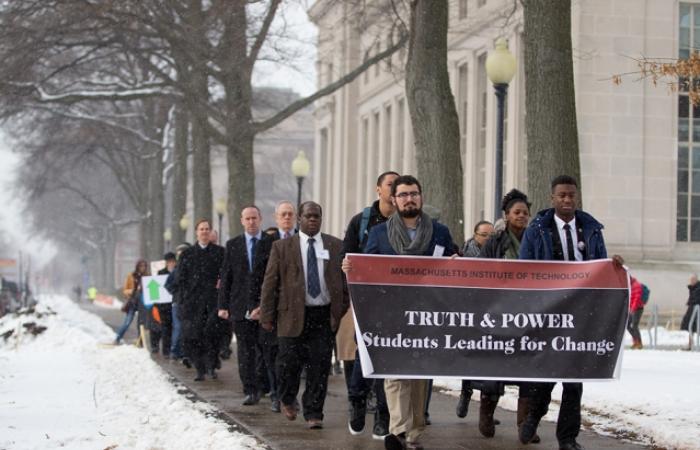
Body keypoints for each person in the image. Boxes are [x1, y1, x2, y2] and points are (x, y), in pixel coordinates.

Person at [344, 175, 456, 450]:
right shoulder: (380, 234)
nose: (409, 199)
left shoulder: (440, 233)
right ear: (394, 200)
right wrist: (352, 268)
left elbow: (455, 267)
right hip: (392, 316)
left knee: (419, 377)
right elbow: (367, 268)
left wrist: (455, 262)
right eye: (403, 194)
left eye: (414, 193)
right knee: (394, 375)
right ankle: (398, 431)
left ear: (421, 197)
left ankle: (414, 431)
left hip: (428, 316)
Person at [519, 175, 624, 450]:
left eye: (571, 195)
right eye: (562, 195)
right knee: (547, 371)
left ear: (577, 198)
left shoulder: (590, 228)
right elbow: (524, 269)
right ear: (552, 198)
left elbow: (600, 264)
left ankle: (568, 438)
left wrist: (612, 265)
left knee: (573, 380)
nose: (567, 200)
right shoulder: (537, 229)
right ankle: (534, 415)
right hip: (549, 310)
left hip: (581, 313)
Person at [260, 201, 350, 430]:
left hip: (323, 316)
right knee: (288, 363)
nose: (313, 220)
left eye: (317, 216)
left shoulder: (335, 245)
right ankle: (287, 398)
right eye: (308, 216)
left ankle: (313, 411)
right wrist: (267, 315)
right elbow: (270, 283)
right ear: (299, 218)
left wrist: (341, 308)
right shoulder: (282, 247)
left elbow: (344, 281)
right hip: (291, 315)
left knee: (319, 366)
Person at [463, 189, 539, 441]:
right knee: (496, 367)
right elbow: (482, 274)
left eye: (525, 213)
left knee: (528, 370)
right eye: (517, 213)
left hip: (528, 315)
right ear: (506, 215)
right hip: (499, 313)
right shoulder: (495, 242)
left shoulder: (536, 240)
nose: (522, 216)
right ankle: (486, 413)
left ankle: (524, 424)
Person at [342, 170, 399, 439]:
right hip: (368, 301)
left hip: (398, 303)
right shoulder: (362, 222)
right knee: (366, 351)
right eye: (390, 185)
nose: (394, 190)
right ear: (379, 189)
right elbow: (347, 257)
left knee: (386, 358)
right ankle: (357, 400)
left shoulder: (408, 224)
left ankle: (383, 416)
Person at [218, 206, 276, 408]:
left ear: (260, 219)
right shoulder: (233, 245)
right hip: (240, 306)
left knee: (267, 350)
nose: (251, 222)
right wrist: (223, 305)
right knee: (245, 352)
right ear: (242, 221)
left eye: (254, 218)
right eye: (247, 218)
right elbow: (227, 276)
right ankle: (250, 390)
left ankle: (269, 388)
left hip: (264, 306)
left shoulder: (271, 243)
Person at [176, 219, 225, 381]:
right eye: (201, 229)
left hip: (213, 301)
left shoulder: (219, 252)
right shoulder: (187, 255)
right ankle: (200, 367)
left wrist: (221, 282)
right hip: (193, 303)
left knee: (212, 335)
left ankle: (211, 366)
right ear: (196, 232)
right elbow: (180, 279)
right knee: (193, 337)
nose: (204, 232)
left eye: (207, 229)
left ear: (210, 232)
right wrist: (183, 299)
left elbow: (226, 273)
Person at [115, 259, 148, 344]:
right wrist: (133, 290)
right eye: (141, 266)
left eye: (144, 266)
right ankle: (117, 338)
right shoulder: (131, 276)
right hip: (133, 302)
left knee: (141, 324)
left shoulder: (148, 276)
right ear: (137, 266)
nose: (143, 268)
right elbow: (125, 290)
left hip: (143, 303)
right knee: (127, 322)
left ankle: (140, 341)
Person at [149, 252, 177, 356]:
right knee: (166, 327)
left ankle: (173, 349)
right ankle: (166, 350)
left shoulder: (178, 271)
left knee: (175, 328)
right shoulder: (161, 272)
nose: (171, 263)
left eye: (173, 261)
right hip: (164, 305)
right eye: (169, 261)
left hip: (174, 303)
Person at [166, 243, 190, 360]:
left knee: (187, 328)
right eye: (179, 255)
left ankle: (185, 352)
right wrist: (176, 292)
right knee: (178, 327)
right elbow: (168, 284)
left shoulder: (192, 269)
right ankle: (175, 351)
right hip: (177, 302)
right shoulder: (176, 270)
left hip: (190, 303)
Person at [627, 277, 644, 349]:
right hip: (632, 308)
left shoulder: (636, 285)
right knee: (628, 325)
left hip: (637, 309)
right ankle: (636, 341)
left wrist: (633, 308)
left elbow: (637, 298)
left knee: (634, 325)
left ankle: (639, 343)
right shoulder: (630, 285)